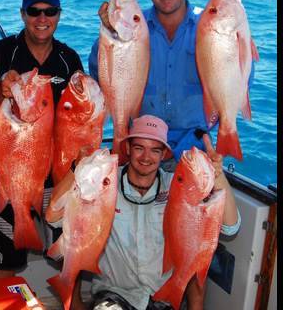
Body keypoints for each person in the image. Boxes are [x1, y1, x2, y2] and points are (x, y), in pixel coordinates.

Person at [88, 0, 254, 168]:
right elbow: (101, 76)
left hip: (194, 149)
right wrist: (107, 36)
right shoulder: (132, 25)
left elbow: (241, 79)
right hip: (140, 150)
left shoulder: (211, 26)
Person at [67, 115, 241, 310]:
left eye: (155, 150)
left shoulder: (179, 185)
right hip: (115, 295)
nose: (146, 157)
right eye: (139, 148)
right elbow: (57, 220)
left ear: (164, 154)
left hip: (163, 297)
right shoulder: (103, 183)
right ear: (127, 148)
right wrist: (78, 169)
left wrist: (218, 176)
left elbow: (230, 227)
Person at [0, 0, 84, 280]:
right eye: (34, 11)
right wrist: (1, 93)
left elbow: (80, 118)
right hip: (9, 175)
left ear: (59, 14)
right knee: (0, 268)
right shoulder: (0, 53)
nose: (42, 19)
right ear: (22, 14)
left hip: (58, 178)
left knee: (70, 263)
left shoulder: (69, 59)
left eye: (50, 11)